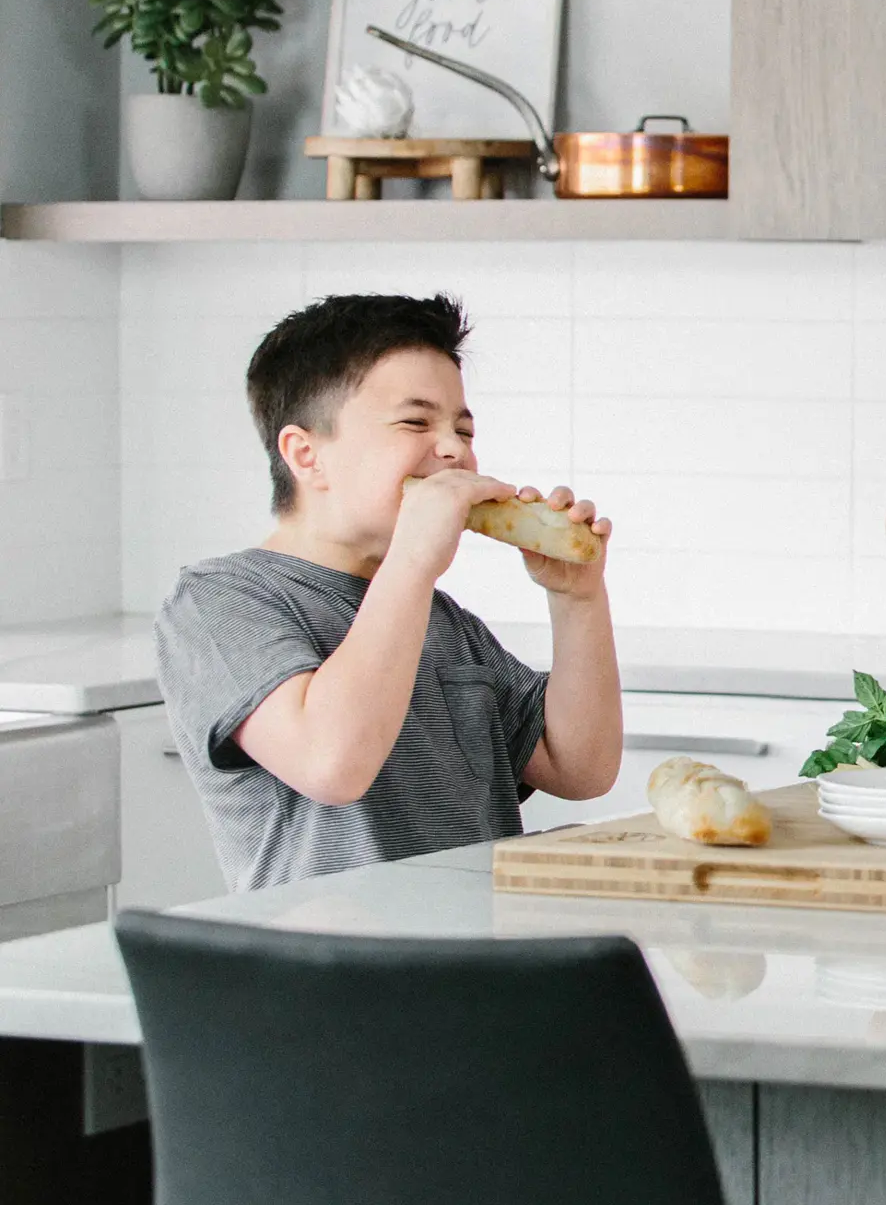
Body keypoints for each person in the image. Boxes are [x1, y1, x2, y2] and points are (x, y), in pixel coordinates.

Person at [154, 295, 622, 891]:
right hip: (335, 970)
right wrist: (414, 560)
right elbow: (332, 764)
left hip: (474, 961)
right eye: (416, 422)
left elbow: (580, 767)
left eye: (463, 427)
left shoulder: (446, 622)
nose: (453, 448)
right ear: (307, 454)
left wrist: (577, 600)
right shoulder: (220, 602)